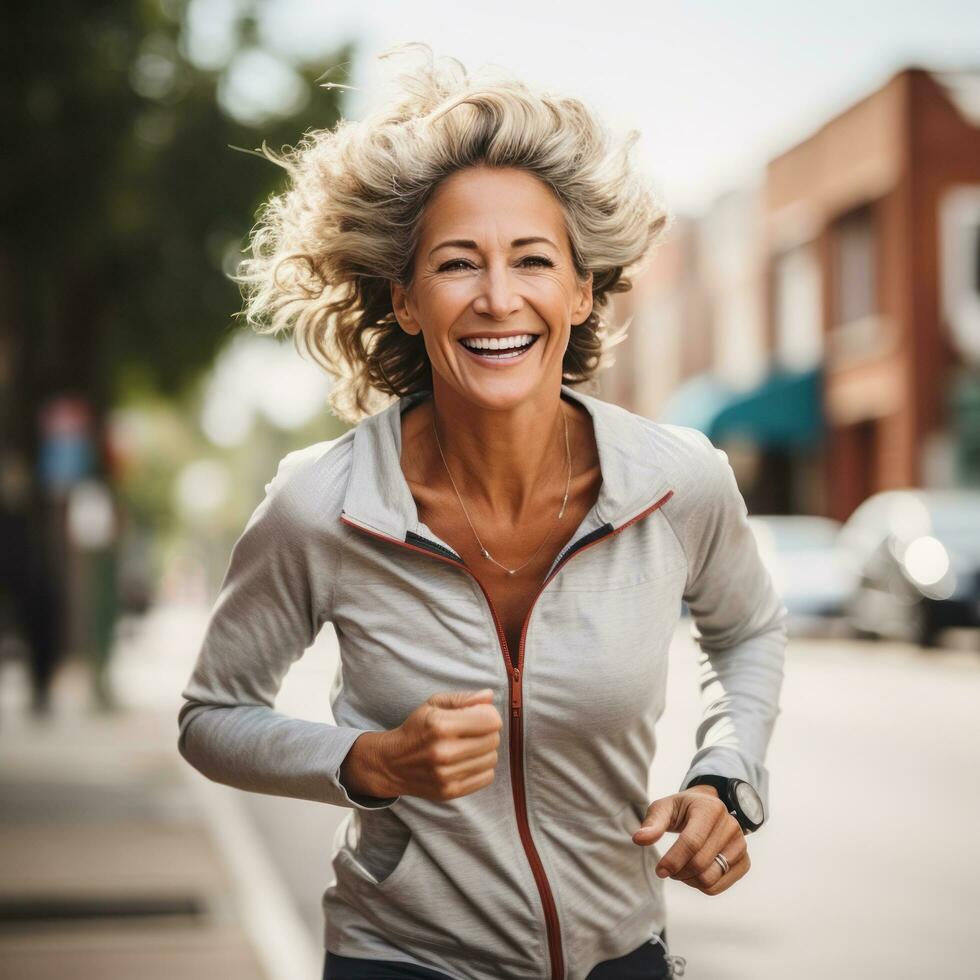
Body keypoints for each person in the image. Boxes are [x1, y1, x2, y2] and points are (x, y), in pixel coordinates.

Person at [177, 43, 788, 980]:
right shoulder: (323, 504)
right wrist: (369, 762)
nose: (499, 299)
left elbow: (746, 630)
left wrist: (728, 776)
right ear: (408, 301)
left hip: (621, 956)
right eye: (459, 265)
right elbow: (212, 715)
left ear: (581, 291)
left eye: (534, 261)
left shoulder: (676, 482)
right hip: (401, 958)